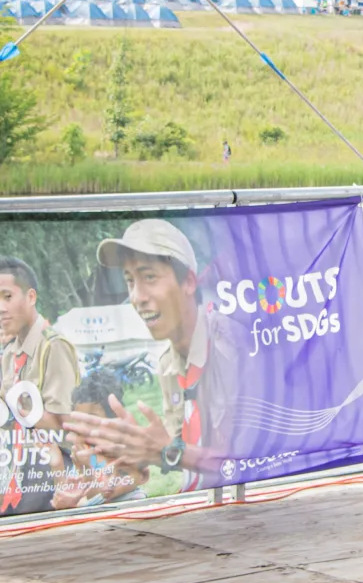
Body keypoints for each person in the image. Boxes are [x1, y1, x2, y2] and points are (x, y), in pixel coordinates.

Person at [65, 219, 238, 492]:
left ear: (189, 282)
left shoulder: (232, 347)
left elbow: (249, 462)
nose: (137, 297)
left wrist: (164, 451)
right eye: (130, 281)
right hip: (202, 503)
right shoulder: (168, 364)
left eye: (149, 277)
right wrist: (131, 455)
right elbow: (177, 449)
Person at [0, 256, 80, 514]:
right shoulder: (10, 353)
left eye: (7, 297)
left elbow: (62, 424)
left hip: (50, 476)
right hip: (17, 472)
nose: (1, 307)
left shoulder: (53, 346)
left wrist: (10, 400)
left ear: (31, 296)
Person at [52, 368, 148, 509]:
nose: (84, 427)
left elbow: (101, 497)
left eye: (91, 419)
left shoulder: (120, 450)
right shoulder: (84, 450)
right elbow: (70, 495)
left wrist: (86, 470)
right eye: (80, 420)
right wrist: (57, 465)